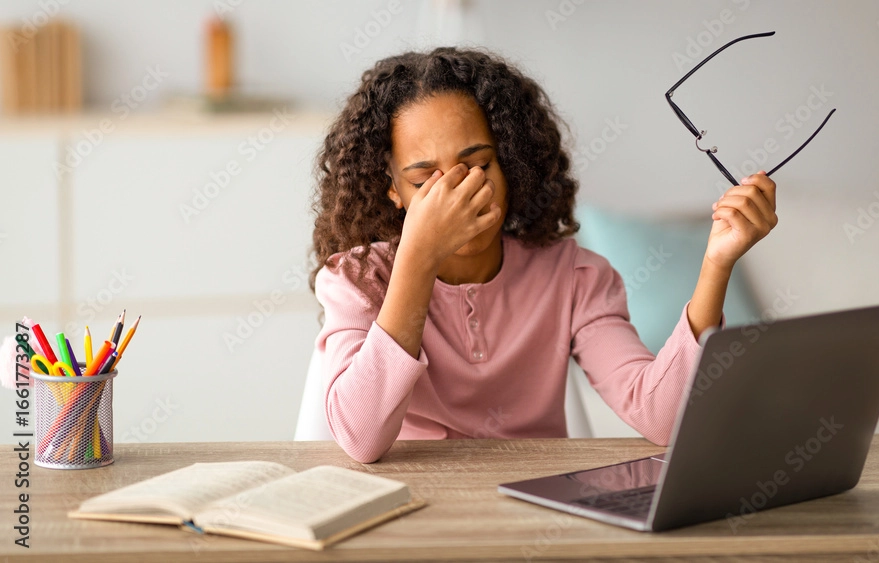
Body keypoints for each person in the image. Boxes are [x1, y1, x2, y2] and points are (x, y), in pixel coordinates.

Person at [310, 47, 777, 463]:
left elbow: (661, 417)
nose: (459, 193)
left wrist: (716, 264)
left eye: (477, 165)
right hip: (413, 514)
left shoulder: (574, 276)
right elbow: (362, 439)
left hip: (537, 505)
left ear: (510, 162)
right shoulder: (355, 280)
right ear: (391, 188)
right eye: (423, 179)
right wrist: (418, 257)